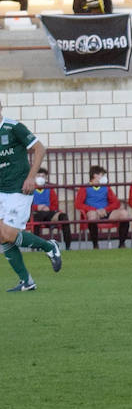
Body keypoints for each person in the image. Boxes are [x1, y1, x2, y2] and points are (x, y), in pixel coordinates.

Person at [0, 104, 62, 292]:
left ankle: (49, 246)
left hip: (19, 188)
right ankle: (26, 281)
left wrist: (31, 177)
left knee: (9, 234)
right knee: (2, 237)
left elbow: (39, 148)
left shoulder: (12, 127)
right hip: (1, 191)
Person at [75, 164, 132, 249]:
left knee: (124, 214)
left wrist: (105, 209)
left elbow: (116, 202)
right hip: (94, 213)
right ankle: (95, 245)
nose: (104, 177)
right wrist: (95, 210)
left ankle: (122, 244)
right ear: (95, 175)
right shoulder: (84, 188)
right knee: (92, 216)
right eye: (102, 175)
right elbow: (78, 204)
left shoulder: (106, 187)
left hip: (107, 212)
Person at [29, 166, 72, 250]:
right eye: (38, 176)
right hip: (35, 213)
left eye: (43, 176)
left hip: (49, 213)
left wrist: (48, 208)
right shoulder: (30, 188)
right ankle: (37, 247)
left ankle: (68, 246)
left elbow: (55, 204)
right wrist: (37, 207)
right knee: (36, 219)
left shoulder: (50, 189)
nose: (41, 178)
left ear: (46, 178)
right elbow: (25, 204)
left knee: (63, 217)